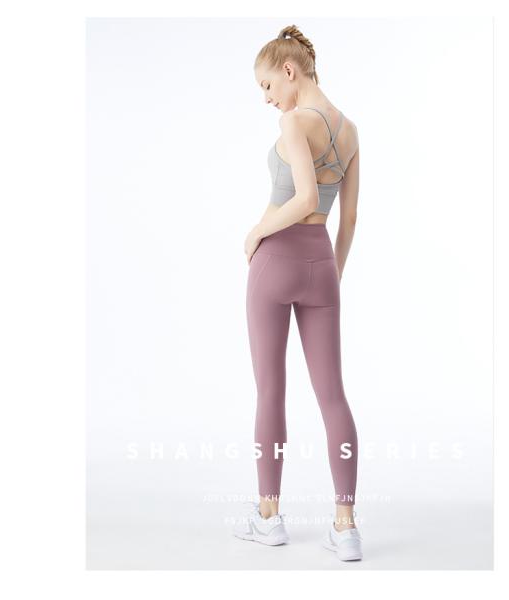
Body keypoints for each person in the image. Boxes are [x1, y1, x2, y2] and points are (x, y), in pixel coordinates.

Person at [233, 24, 362, 562]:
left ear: (289, 71)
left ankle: (269, 519)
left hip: (276, 260)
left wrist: (256, 233)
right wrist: (330, 274)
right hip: (321, 264)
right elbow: (346, 218)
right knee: (333, 396)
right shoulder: (349, 130)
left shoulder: (294, 121)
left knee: (271, 390)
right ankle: (346, 526)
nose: (267, 99)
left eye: (267, 86)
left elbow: (304, 196)